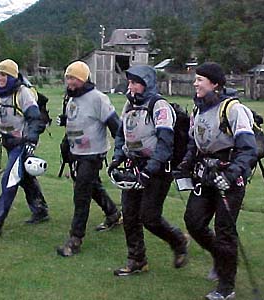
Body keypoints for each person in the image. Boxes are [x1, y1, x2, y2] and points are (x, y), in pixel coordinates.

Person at [179, 62, 257, 300]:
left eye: (200, 80)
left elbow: (248, 149)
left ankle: (226, 286)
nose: (195, 84)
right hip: (206, 176)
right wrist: (183, 166)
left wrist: (231, 175)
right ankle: (219, 258)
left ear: (214, 84)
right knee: (193, 221)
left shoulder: (233, 109)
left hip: (229, 179)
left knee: (225, 231)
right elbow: (195, 143)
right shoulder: (198, 109)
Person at [108, 65, 189, 276]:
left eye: (135, 82)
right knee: (129, 214)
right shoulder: (129, 105)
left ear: (146, 83)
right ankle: (137, 260)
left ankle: (178, 241)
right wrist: (117, 157)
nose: (131, 86)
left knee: (150, 217)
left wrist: (150, 169)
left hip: (158, 169)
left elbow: (165, 143)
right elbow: (120, 133)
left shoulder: (159, 106)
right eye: (129, 82)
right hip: (134, 165)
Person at [0, 59, 49, 236]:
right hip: (7, 142)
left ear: (12, 76)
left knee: (10, 179)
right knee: (24, 178)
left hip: (21, 144)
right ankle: (40, 210)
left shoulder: (23, 93)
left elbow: (35, 119)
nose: (0, 77)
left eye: (4, 74)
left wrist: (31, 141)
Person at [56, 61, 122, 257]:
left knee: (81, 194)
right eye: (68, 78)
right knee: (91, 186)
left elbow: (115, 125)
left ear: (83, 79)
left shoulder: (98, 99)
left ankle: (75, 239)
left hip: (93, 154)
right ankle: (113, 213)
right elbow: (75, 122)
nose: (70, 82)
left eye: (74, 78)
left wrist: (120, 153)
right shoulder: (71, 99)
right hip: (77, 153)